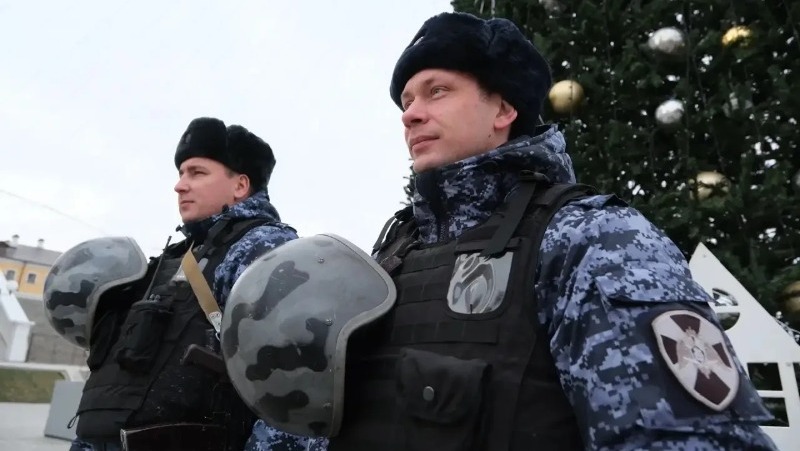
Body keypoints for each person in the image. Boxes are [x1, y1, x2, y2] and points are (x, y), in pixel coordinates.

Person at [232, 11, 779, 451]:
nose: (410, 114)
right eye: (407, 101)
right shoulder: (394, 249)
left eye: (436, 91)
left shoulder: (592, 236)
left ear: (504, 109)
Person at [42, 117, 315, 450]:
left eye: (197, 173)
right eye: (181, 173)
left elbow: (297, 389)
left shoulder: (262, 248)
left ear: (240, 186)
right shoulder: (174, 257)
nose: (180, 185)